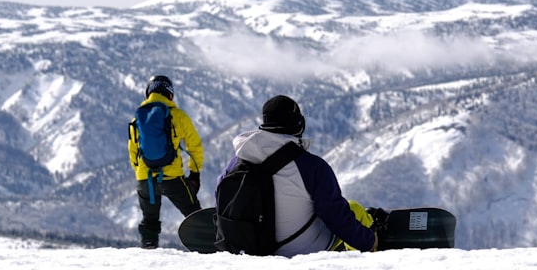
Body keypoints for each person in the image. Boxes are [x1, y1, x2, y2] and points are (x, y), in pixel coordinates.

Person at [219, 94, 380, 256]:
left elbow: (222, 197)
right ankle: (368, 255)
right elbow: (336, 215)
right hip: (302, 252)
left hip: (252, 250)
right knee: (353, 208)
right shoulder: (312, 167)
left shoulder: (237, 161)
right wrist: (368, 239)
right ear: (299, 124)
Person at [128, 75, 204, 249]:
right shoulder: (178, 116)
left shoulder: (137, 119)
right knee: (194, 213)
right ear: (170, 94)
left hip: (145, 178)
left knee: (149, 218)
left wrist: (141, 173)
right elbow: (195, 147)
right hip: (172, 177)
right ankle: (207, 244)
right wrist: (195, 172)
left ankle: (149, 245)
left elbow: (132, 152)